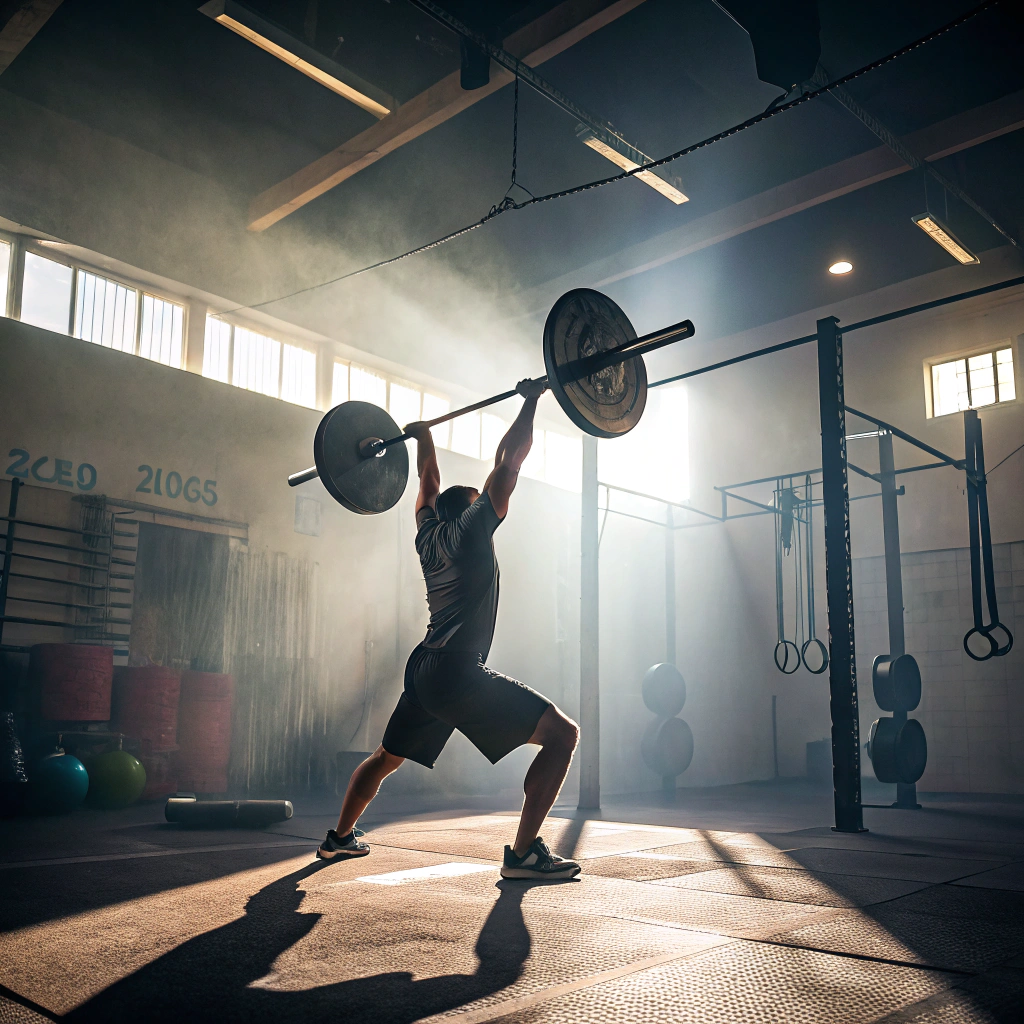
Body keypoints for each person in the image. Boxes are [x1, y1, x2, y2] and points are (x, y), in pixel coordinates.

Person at [318, 378, 581, 880]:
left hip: (424, 671)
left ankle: (339, 838)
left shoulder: (429, 536)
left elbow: (428, 487)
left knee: (385, 756)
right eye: (483, 497)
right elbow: (508, 462)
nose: (492, 499)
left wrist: (422, 438)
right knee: (563, 735)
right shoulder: (472, 534)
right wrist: (531, 399)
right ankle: (524, 855)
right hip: (457, 671)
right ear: (477, 508)